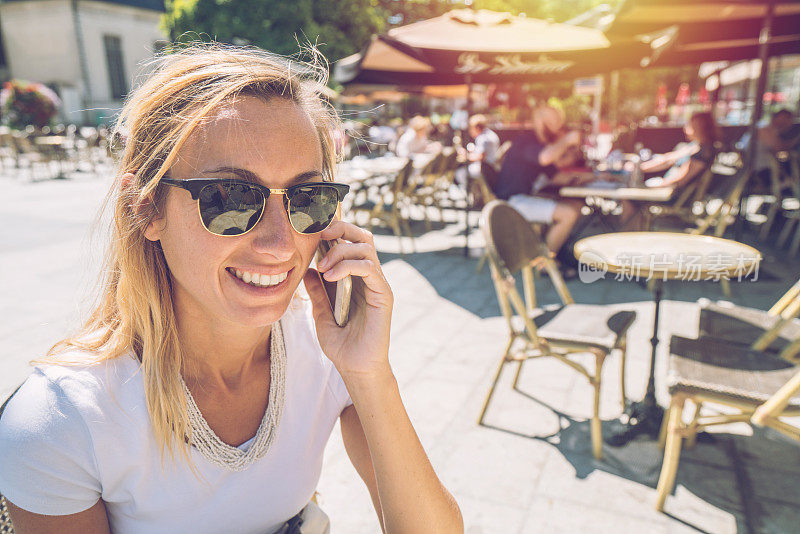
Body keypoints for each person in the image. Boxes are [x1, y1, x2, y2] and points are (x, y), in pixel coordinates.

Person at [0, 44, 463, 534]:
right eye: (231, 198)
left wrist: (370, 372)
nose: (281, 244)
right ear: (147, 208)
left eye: (308, 199)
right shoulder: (62, 422)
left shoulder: (324, 354)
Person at [494, 104, 585, 254]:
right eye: (556, 120)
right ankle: (546, 264)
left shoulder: (542, 145)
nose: (560, 124)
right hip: (512, 202)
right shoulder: (526, 141)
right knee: (568, 214)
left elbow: (558, 176)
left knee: (575, 205)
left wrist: (595, 177)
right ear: (543, 122)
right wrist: (567, 140)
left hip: (524, 198)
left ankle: (557, 249)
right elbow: (544, 158)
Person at [638, 111, 718, 189]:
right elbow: (668, 159)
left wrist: (658, 184)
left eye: (689, 125)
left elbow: (681, 180)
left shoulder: (703, 153)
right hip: (667, 187)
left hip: (672, 194)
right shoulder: (694, 146)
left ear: (699, 127)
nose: (685, 129)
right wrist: (639, 168)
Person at [455, 114, 501, 187]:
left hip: (486, 169)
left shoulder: (482, 138)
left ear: (476, 127)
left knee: (460, 173)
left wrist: (465, 155)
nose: (470, 131)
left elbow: (480, 156)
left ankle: (470, 194)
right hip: (492, 167)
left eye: (471, 128)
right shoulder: (491, 134)